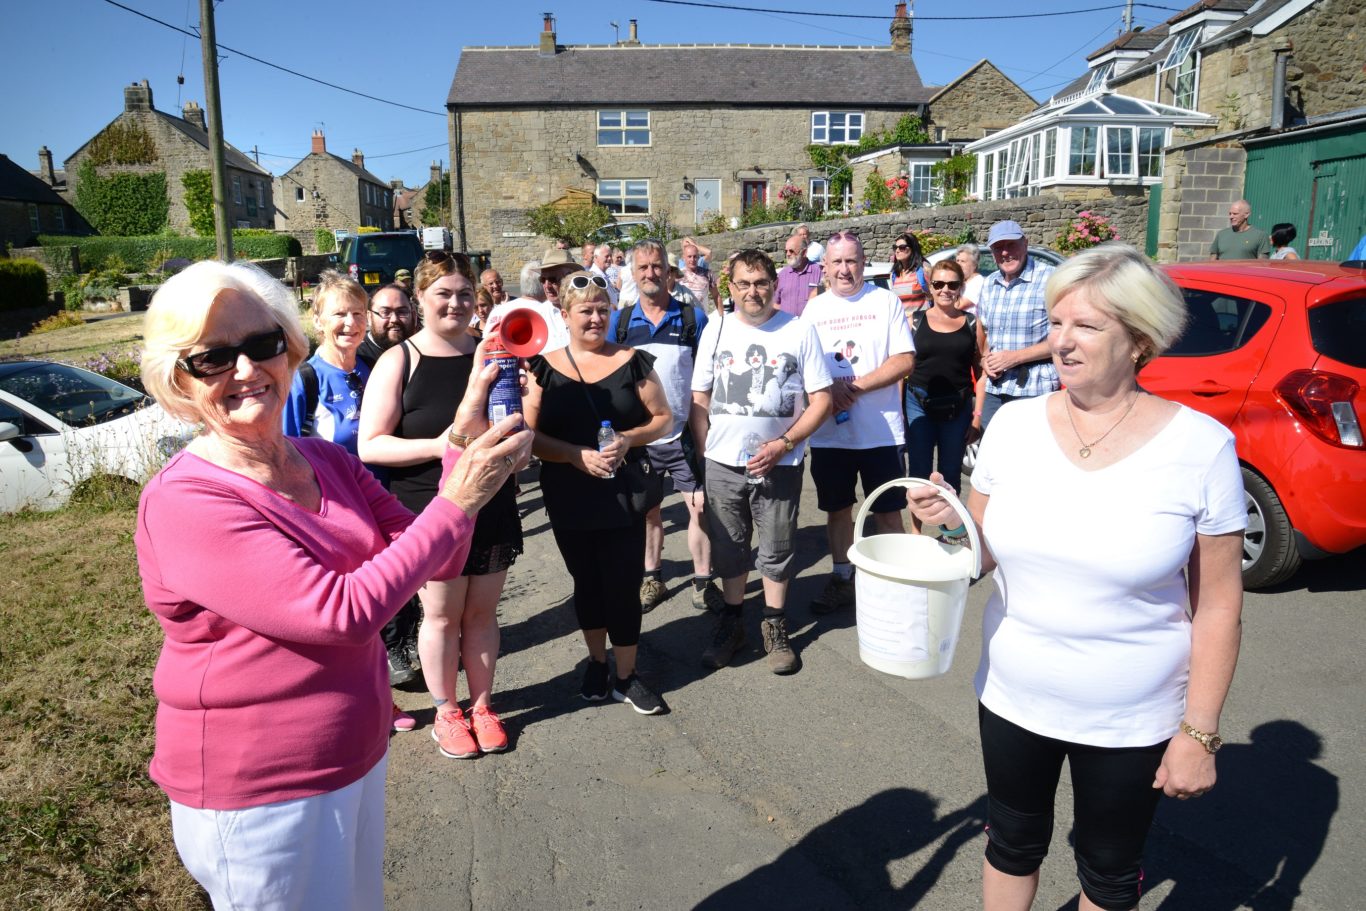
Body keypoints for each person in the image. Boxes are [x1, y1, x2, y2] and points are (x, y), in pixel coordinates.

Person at [136, 259, 529, 910]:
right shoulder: (186, 499)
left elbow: (436, 556)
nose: (245, 370)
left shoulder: (324, 459)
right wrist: (457, 499)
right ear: (179, 379)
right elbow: (340, 612)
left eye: (262, 345)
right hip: (258, 785)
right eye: (212, 358)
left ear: (288, 351)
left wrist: (460, 439)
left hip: (355, 751)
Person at [905, 242, 1245, 911]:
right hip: (1012, 694)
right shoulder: (1015, 427)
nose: (1060, 341)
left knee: (1110, 872)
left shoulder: (1202, 447)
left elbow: (1220, 609)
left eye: (1085, 326)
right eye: (1054, 322)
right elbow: (975, 555)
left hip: (1132, 717)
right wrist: (940, 521)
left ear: (1141, 340)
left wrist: (1199, 732)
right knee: (1010, 840)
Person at [358, 251, 524, 760]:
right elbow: (371, 445)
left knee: (481, 614)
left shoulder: (494, 354)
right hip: (429, 508)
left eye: (464, 294)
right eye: (443, 294)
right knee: (441, 617)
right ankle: (446, 712)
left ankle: (482, 706)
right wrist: (442, 447)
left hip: (492, 501)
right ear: (421, 301)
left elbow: (511, 421)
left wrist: (520, 444)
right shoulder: (399, 359)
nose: (456, 303)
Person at [523, 271, 674, 714]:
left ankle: (626, 675)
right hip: (568, 493)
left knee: (623, 586)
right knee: (586, 584)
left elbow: (663, 418)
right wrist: (572, 454)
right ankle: (595, 662)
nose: (594, 318)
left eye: (602, 310)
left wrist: (629, 439)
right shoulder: (543, 367)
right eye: (585, 311)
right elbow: (528, 435)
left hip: (623, 493)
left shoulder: (634, 361)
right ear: (565, 316)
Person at [689, 249, 832, 674]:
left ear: (775, 286)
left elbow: (821, 399)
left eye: (761, 283)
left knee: (777, 547)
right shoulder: (715, 329)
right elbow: (699, 398)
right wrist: (705, 456)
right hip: (723, 464)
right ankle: (733, 624)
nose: (753, 292)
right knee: (729, 549)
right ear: (730, 288)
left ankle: (774, 625)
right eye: (744, 284)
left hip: (779, 463)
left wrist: (784, 444)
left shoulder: (799, 329)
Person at [802, 231, 916, 613]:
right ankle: (842, 577)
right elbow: (801, 365)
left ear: (864, 263)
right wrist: (827, 390)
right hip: (830, 434)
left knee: (887, 511)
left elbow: (904, 359)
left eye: (851, 261)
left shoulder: (884, 302)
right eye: (837, 262)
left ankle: (897, 583)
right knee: (837, 510)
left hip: (879, 432)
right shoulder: (814, 310)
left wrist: (854, 387)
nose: (844, 269)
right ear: (825, 267)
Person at [608, 239, 721, 614]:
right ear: (632, 274)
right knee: (648, 512)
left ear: (669, 272)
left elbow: (710, 378)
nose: (650, 274)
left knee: (699, 508)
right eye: (642, 268)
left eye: (656, 266)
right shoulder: (620, 324)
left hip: (685, 434)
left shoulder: (693, 318)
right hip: (640, 438)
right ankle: (651, 578)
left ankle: (703, 581)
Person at [903, 258, 983, 499]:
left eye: (952, 284)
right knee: (918, 473)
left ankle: (950, 534)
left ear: (961, 287)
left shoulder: (972, 324)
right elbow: (901, 369)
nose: (945, 290)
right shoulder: (913, 321)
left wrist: (976, 418)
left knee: (950, 474)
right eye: (938, 284)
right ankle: (916, 532)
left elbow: (981, 375)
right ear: (930, 287)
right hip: (918, 402)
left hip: (957, 407)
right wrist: (898, 413)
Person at [976, 220, 1059, 431]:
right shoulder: (990, 283)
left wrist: (1015, 357)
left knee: (1028, 458)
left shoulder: (1050, 279)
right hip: (995, 390)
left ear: (1025, 244)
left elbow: (1065, 338)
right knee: (993, 454)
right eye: (998, 248)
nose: (1005, 252)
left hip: (1034, 389)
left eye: (1011, 244)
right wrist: (986, 360)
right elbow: (987, 334)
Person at [775, 234, 822, 317]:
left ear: (804, 252)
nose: (788, 254)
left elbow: (826, 299)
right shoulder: (782, 275)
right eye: (786, 251)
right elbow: (774, 303)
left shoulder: (819, 272)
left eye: (791, 251)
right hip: (788, 326)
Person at [889, 232, 929, 316]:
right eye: (895, 247)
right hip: (901, 325)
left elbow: (936, 296)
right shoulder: (894, 274)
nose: (897, 250)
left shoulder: (923, 269)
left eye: (902, 247)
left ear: (912, 248)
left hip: (920, 325)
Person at [676, 238, 719, 311]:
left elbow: (709, 252)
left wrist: (694, 245)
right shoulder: (677, 263)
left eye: (689, 244)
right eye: (685, 245)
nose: (692, 259)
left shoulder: (700, 261)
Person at [955, 243, 985, 312]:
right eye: (957, 261)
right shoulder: (963, 281)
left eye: (963, 261)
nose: (958, 264)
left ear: (974, 264)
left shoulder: (978, 282)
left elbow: (958, 305)